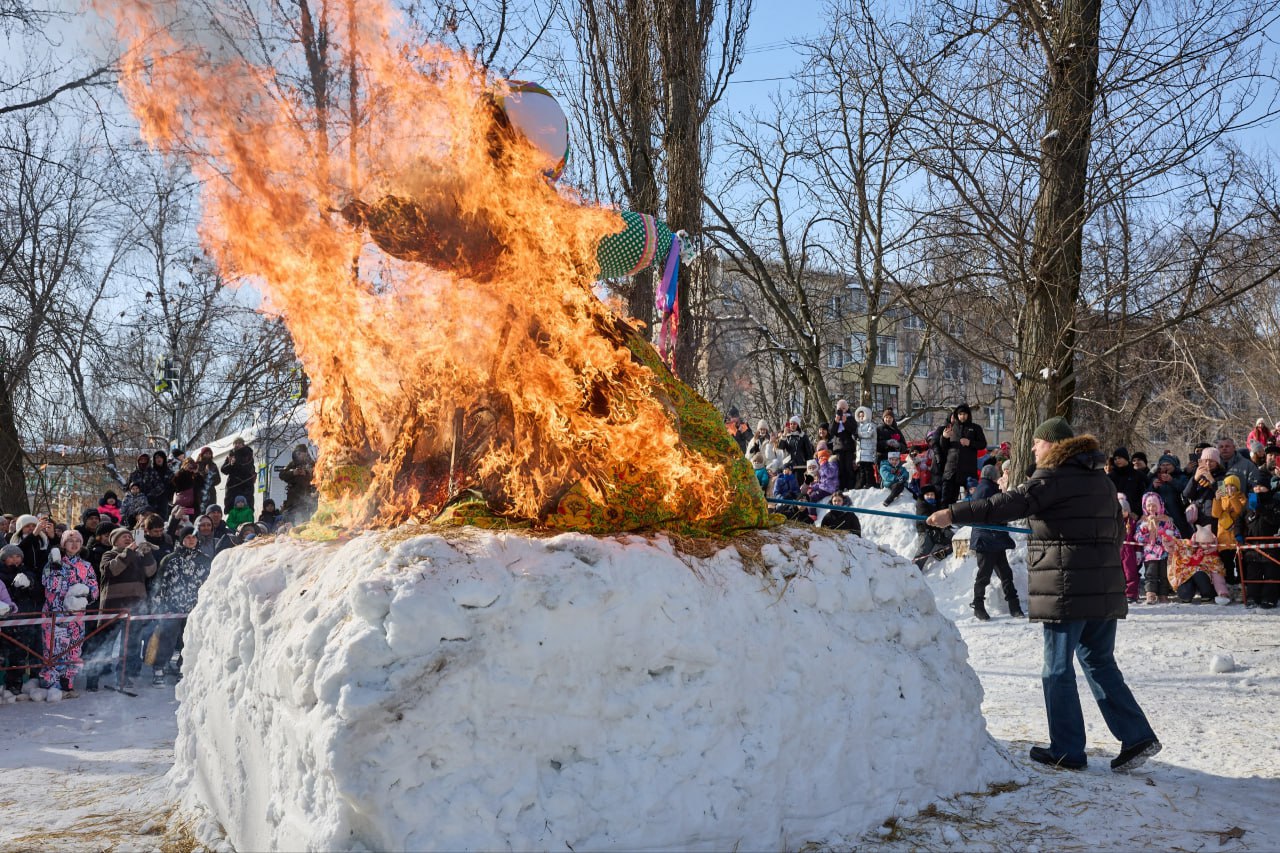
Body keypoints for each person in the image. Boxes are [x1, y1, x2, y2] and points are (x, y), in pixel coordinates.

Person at [928, 416, 1161, 772]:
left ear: (1053, 444)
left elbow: (1002, 505)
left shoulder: (1052, 477)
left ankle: (1067, 750)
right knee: (1099, 661)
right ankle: (1137, 735)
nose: (1034, 448)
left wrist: (953, 513)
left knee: (1056, 669)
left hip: (1067, 588)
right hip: (1103, 589)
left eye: (1037, 443)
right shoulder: (1099, 480)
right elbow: (1116, 531)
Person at [149, 524, 213, 685]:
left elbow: (210, 584)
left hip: (194, 608)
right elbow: (159, 584)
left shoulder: (204, 559)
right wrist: (158, 605)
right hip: (172, 607)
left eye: (194, 537)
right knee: (167, 638)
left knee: (189, 639)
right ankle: (159, 668)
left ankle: (183, 667)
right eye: (187, 537)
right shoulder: (170, 559)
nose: (191, 540)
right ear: (181, 540)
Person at [39, 531, 99, 695]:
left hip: (77, 615)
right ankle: (52, 682)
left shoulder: (86, 566)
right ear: (63, 544)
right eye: (70, 541)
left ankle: (68, 680)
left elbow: (94, 589)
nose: (74, 544)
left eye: (77, 541)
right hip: (55, 615)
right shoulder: (53, 563)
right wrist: (56, 569)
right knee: (54, 648)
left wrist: (85, 594)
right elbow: (48, 585)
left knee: (74, 648)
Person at [99, 528, 159, 687]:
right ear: (115, 541)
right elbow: (112, 569)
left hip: (135, 607)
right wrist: (128, 551)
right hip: (114, 607)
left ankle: (123, 675)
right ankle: (94, 676)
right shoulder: (109, 555)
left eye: (129, 536)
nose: (128, 538)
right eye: (123, 536)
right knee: (106, 643)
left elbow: (150, 571)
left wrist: (146, 553)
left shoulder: (138, 555)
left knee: (130, 644)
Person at [968, 462, 1024, 620]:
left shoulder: (985, 489)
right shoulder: (986, 490)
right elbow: (991, 512)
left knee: (1005, 573)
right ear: (993, 477)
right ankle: (978, 606)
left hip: (994, 539)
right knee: (985, 575)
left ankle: (1014, 606)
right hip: (987, 539)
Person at [1, 543, 42, 695]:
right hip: (4, 621)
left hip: (24, 620)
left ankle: (15, 685)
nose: (15, 559)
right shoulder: (1, 574)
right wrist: (13, 587)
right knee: (2, 654)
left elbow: (39, 592)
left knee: (19, 655)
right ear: (4, 558)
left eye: (18, 556)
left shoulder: (27, 571)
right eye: (11, 556)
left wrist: (29, 584)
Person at [934, 403, 987, 507]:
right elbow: (944, 447)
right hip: (951, 469)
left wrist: (970, 443)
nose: (963, 416)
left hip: (968, 470)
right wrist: (944, 437)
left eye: (965, 414)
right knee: (947, 499)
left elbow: (983, 444)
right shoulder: (951, 427)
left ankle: (970, 521)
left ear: (969, 415)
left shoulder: (975, 428)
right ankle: (945, 521)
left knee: (972, 500)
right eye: (960, 414)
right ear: (957, 415)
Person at [1134, 493, 1179, 604]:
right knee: (1150, 574)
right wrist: (1147, 531)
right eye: (1149, 505)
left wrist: (1170, 538)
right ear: (1144, 506)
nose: (1151, 508)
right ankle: (1151, 594)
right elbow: (1138, 538)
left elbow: (1176, 535)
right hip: (1150, 553)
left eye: (1154, 505)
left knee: (1164, 574)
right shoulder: (1142, 522)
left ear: (1160, 506)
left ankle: (1163, 594)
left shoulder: (1167, 520)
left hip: (1164, 552)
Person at [1211, 474, 1247, 587]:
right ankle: (1229, 584)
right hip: (1224, 537)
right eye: (1226, 486)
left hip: (1236, 536)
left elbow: (1239, 511)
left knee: (1240, 563)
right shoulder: (1221, 498)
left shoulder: (1241, 497)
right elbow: (1215, 514)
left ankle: (1242, 584)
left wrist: (1232, 497)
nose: (1229, 488)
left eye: (1232, 486)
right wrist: (1217, 499)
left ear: (1237, 487)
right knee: (1227, 563)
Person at [1116, 494, 1141, 605]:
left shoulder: (1132, 523)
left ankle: (1131, 594)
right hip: (1117, 552)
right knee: (1117, 573)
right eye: (1121, 511)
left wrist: (1138, 551)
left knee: (1130, 573)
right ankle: (1118, 592)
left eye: (1124, 511)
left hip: (1129, 552)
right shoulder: (1114, 522)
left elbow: (1137, 538)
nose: (1122, 513)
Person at [1108, 448, 1146, 518]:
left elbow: (1142, 495)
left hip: (1133, 514)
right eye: (1115, 459)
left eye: (1119, 458)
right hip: (1115, 514)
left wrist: (1137, 512)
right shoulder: (1110, 476)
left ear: (1126, 458)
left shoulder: (1137, 475)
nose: (1117, 460)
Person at [221, 437, 257, 510]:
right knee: (232, 509)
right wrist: (230, 464)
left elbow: (247, 469)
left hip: (245, 487)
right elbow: (224, 470)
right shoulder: (231, 455)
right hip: (233, 486)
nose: (237, 445)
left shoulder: (247, 455)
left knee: (246, 508)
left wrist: (235, 464)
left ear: (243, 445)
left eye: (239, 443)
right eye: (235, 443)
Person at [829, 400, 857, 490]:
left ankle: (850, 487)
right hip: (838, 447)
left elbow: (853, 430)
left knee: (849, 468)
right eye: (840, 409)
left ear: (847, 408)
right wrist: (836, 422)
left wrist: (845, 422)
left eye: (844, 408)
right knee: (840, 469)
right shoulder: (834, 418)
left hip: (849, 447)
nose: (842, 410)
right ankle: (841, 487)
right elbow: (831, 432)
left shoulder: (850, 418)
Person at [852, 406, 878, 490]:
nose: (861, 417)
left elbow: (869, 434)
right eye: (859, 416)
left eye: (863, 415)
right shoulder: (858, 426)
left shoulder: (871, 425)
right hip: (860, 452)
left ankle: (870, 483)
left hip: (868, 451)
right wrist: (854, 436)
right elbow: (856, 437)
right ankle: (862, 482)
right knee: (862, 469)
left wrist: (858, 434)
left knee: (868, 469)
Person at [194, 446, 222, 514]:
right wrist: (204, 473)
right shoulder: (197, 465)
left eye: (209, 454)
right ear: (202, 454)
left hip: (211, 492)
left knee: (211, 511)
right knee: (200, 512)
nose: (208, 455)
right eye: (206, 454)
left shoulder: (213, 465)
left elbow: (218, 479)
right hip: (200, 492)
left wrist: (211, 481)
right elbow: (195, 479)